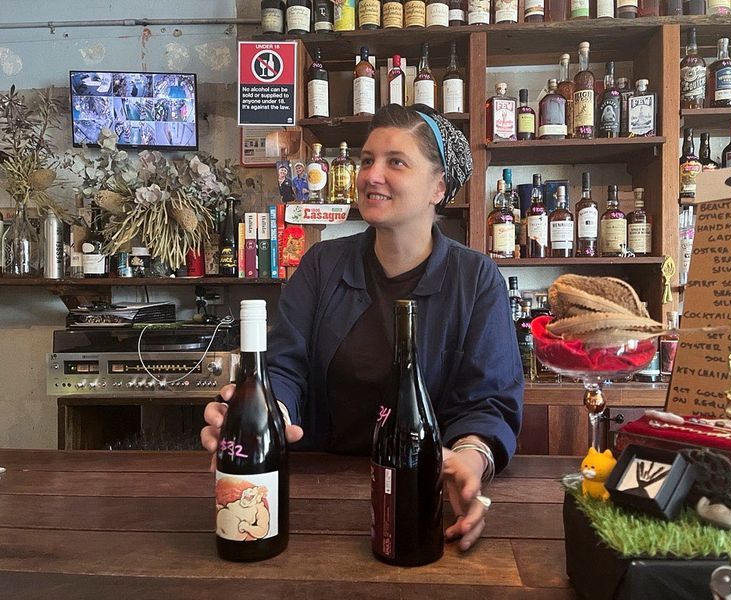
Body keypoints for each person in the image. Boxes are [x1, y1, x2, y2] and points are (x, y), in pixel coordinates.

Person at [202, 104, 524, 552]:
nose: (372, 174)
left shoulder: (476, 279)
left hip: (420, 499)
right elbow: (285, 369)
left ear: (439, 186)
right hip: (314, 500)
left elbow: (488, 399)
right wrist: (260, 417)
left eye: (396, 162)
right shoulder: (322, 265)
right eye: (368, 159)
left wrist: (468, 460)